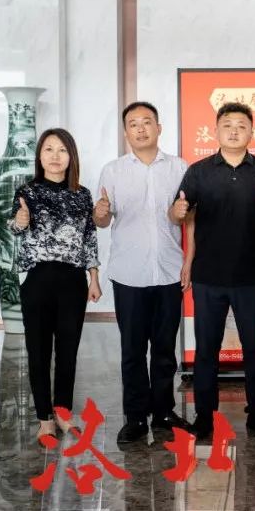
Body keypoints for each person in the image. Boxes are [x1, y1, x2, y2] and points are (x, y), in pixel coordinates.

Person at [170, 102, 255, 441]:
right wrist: (177, 210)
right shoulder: (199, 171)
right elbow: (180, 215)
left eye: (241, 125)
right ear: (215, 131)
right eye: (227, 124)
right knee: (206, 350)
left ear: (252, 132)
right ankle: (205, 415)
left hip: (251, 276)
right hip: (208, 276)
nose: (234, 131)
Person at [95, 101, 191, 446]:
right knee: (133, 350)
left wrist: (188, 262)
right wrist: (100, 212)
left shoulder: (179, 168)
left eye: (147, 122)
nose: (140, 128)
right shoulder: (113, 171)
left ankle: (164, 412)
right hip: (129, 273)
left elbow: (189, 219)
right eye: (133, 124)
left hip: (168, 270)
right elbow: (102, 220)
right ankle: (135, 416)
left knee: (165, 349)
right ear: (126, 133)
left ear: (159, 128)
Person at [9, 128, 101, 439]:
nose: (55, 156)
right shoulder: (28, 192)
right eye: (48, 149)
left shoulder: (82, 194)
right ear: (40, 156)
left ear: (71, 156)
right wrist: (20, 221)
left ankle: (62, 413)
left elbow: (89, 239)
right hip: (38, 280)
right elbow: (15, 227)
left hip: (73, 282)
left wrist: (94, 278)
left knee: (68, 351)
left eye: (62, 150)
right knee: (38, 352)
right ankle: (44, 419)